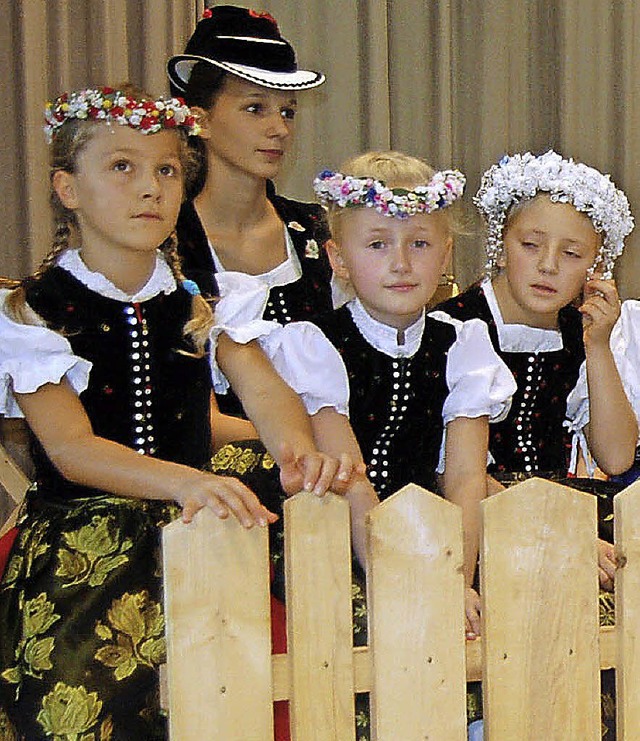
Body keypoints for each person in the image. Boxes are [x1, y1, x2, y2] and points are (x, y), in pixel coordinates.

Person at [0, 86, 372, 740]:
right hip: (91, 544)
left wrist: (293, 448)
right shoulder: (34, 313)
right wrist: (186, 480)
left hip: (206, 522)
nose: (150, 188)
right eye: (122, 167)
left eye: (166, 170)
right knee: (86, 700)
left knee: (309, 664)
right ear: (67, 188)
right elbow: (71, 448)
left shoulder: (203, 302)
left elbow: (262, 387)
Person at [435, 149, 637, 740]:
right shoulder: (456, 327)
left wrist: (598, 346)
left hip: (559, 501)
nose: (549, 266)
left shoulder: (582, 334)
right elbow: (450, 463)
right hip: (470, 507)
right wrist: (549, 527)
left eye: (572, 254)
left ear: (595, 265)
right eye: (531, 245)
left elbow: (617, 457)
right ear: (500, 241)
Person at [168, 5, 334, 421]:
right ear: (199, 119)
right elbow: (183, 418)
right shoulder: (164, 246)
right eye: (255, 108)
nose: (279, 128)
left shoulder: (317, 230)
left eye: (288, 111)